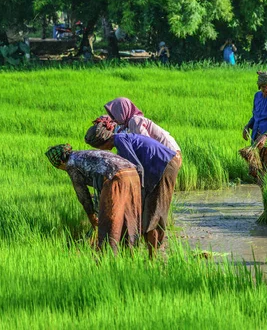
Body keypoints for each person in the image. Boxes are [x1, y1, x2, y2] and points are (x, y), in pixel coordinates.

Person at [85, 117, 179, 257]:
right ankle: (149, 252)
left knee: (154, 210)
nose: (101, 150)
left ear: (102, 142)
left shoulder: (121, 141)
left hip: (164, 166)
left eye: (99, 148)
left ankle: (152, 256)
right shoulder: (120, 140)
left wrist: (137, 192)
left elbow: (137, 168)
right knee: (148, 209)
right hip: (158, 166)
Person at [45, 144, 141, 255]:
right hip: (132, 173)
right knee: (128, 215)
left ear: (60, 162)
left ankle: (107, 257)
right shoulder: (83, 154)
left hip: (115, 176)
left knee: (109, 220)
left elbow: (82, 195)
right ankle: (130, 254)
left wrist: (92, 217)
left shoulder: (71, 165)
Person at [104, 97, 182, 166]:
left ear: (122, 111)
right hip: (169, 154)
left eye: (115, 115)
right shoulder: (130, 124)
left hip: (169, 155)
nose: (114, 119)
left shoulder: (134, 121)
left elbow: (147, 145)